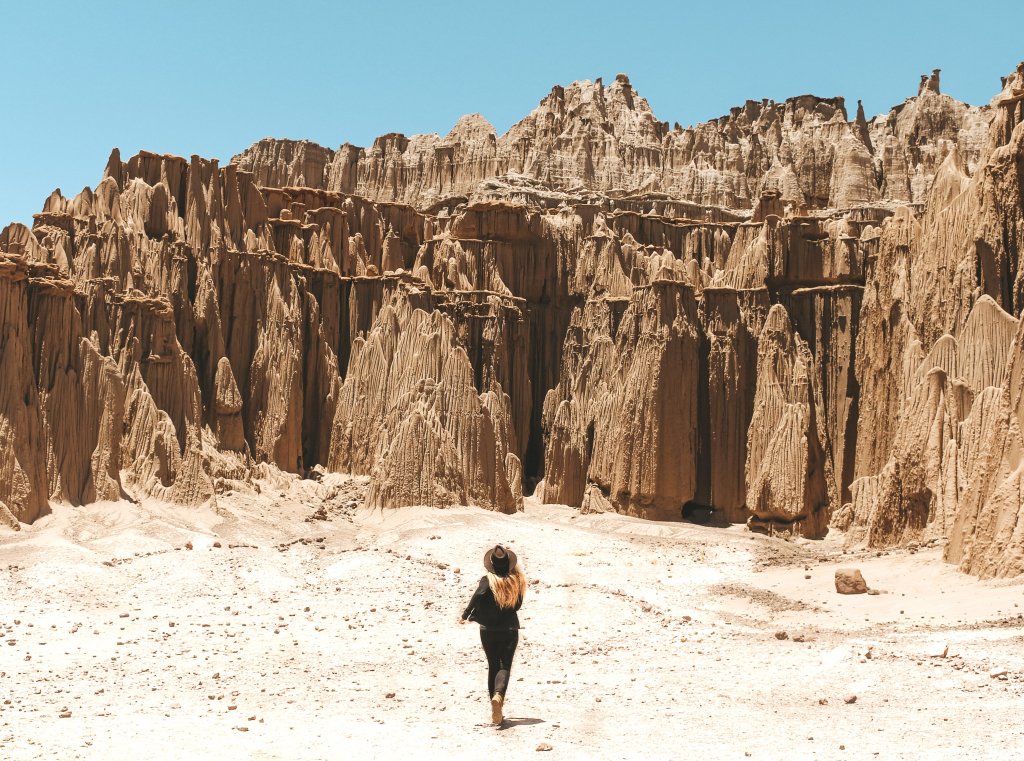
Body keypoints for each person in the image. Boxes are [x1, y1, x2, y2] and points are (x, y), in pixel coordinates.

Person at [458, 544, 526, 725]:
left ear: (492, 564)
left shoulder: (488, 579)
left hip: (488, 630)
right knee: (505, 666)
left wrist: (466, 614)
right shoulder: (516, 581)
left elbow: (479, 594)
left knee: (493, 665)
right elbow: (518, 605)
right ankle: (499, 696)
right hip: (509, 629)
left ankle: (495, 709)